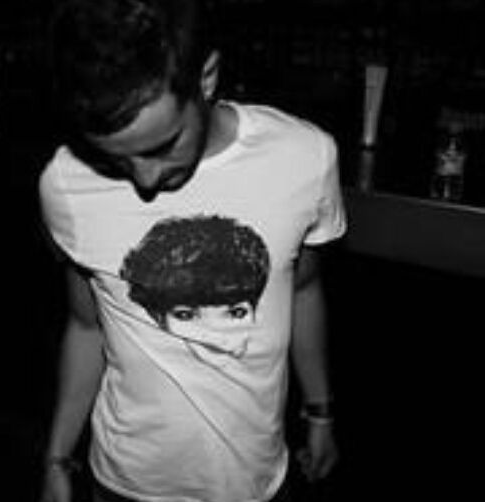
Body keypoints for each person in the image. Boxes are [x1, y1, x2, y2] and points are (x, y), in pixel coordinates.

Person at [38, 1, 346, 501]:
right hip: (124, 482)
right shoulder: (66, 183)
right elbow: (86, 325)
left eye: (161, 147)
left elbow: (304, 290)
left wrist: (320, 412)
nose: (145, 180)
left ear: (206, 77)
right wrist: (56, 457)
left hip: (256, 480)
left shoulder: (303, 158)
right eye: (115, 160)